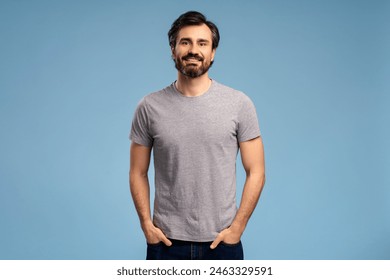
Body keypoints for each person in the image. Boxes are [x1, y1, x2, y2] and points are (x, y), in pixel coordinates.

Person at [129, 11, 265, 260]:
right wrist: (146, 226)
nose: (194, 50)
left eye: (202, 43)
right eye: (185, 42)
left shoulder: (239, 104)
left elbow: (256, 171)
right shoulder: (149, 107)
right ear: (173, 50)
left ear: (213, 52)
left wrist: (237, 228)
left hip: (222, 242)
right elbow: (137, 171)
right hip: (166, 243)